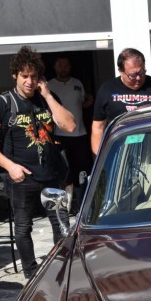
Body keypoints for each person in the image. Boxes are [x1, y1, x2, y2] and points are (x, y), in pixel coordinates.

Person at [0, 45, 76, 280]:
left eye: (33, 76)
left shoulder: (46, 99)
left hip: (51, 174)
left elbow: (70, 126)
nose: (29, 82)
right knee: (23, 227)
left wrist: (49, 95)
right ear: (15, 75)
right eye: (24, 76)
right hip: (21, 177)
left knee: (61, 224)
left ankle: (60, 270)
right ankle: (31, 273)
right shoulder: (4, 103)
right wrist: (9, 166)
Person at [91, 48, 151, 156]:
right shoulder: (107, 89)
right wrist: (101, 157)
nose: (138, 78)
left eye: (141, 73)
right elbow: (98, 127)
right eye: (132, 75)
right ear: (120, 71)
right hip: (120, 153)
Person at [48, 56, 91, 199]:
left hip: (80, 134)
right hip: (59, 134)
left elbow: (83, 103)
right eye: (60, 65)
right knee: (63, 172)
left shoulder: (77, 83)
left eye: (66, 65)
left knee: (81, 171)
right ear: (54, 67)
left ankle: (80, 204)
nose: (63, 68)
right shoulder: (49, 86)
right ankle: (64, 204)